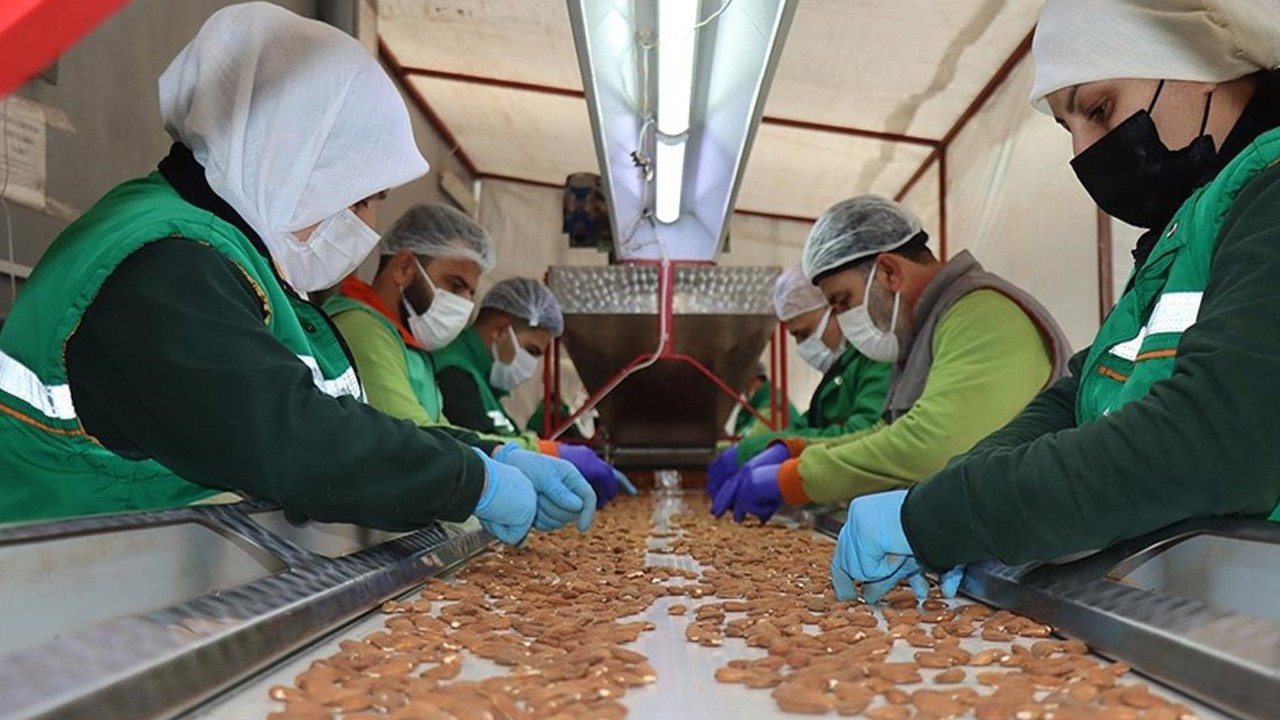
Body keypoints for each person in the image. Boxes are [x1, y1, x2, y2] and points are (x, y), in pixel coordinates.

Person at [0, 3, 596, 545]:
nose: (365, 228)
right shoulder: (164, 261)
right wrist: (472, 481)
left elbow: (346, 418)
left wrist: (483, 453)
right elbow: (296, 438)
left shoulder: (242, 262)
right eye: (363, 200)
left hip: (119, 572)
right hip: (43, 585)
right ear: (290, 163)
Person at [831, 0, 1280, 605]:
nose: (1084, 153)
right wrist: (958, 493)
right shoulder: (1183, 235)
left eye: (1098, 109)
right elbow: (1079, 394)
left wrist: (947, 514)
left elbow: (1216, 438)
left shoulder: (1270, 196)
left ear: (1197, 61)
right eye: (1070, 130)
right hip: (1197, 604)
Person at [712, 195, 1071, 526]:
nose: (845, 319)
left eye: (842, 301)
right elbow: (888, 433)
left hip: (1028, 544)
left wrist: (795, 477)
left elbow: (932, 445)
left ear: (888, 272)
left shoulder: (982, 314)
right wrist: (793, 450)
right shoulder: (924, 332)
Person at [434, 277, 628, 506]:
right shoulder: (453, 372)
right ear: (499, 330)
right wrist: (552, 453)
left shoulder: (482, 382)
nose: (532, 365)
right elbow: (476, 448)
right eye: (532, 351)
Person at [707, 265, 891, 500]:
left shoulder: (878, 356)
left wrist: (778, 455)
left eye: (805, 334)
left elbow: (865, 434)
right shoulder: (841, 368)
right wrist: (746, 450)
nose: (802, 346)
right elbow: (810, 425)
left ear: (836, 309)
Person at [727, 362, 801, 438]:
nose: (743, 391)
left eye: (745, 386)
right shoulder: (772, 398)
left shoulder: (769, 406)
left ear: (753, 380)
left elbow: (749, 439)